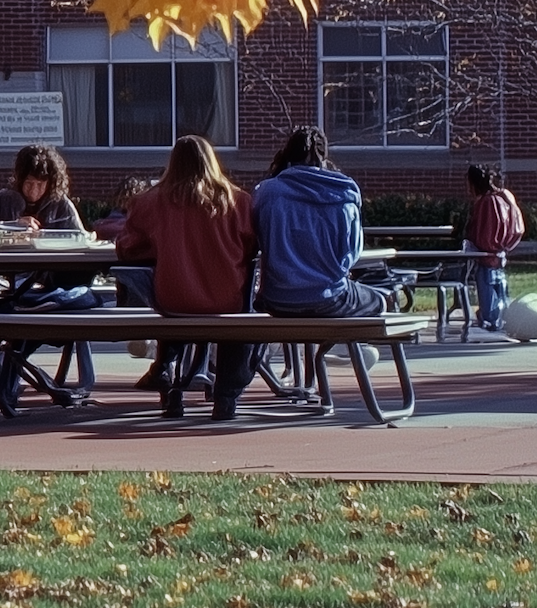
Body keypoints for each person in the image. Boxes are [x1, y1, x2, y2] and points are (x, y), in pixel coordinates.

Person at [116, 136, 257, 420]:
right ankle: (226, 395)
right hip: (225, 300)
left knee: (175, 304)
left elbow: (128, 248)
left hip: (174, 299)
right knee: (244, 323)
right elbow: (252, 247)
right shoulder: (238, 201)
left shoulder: (150, 202)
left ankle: (167, 373)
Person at [252, 126, 383, 318]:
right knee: (379, 301)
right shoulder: (344, 194)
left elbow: (254, 239)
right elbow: (350, 255)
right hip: (330, 298)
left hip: (277, 300)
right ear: (325, 157)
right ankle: (352, 348)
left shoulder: (267, 193)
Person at [0, 145, 87, 233]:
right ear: (20, 179)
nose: (33, 191)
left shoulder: (61, 205)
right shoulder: (4, 200)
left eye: (40, 184)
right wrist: (13, 225)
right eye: (29, 183)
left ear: (51, 183)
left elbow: (81, 238)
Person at [466, 164, 526, 332]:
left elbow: (485, 233)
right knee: (500, 288)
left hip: (487, 256)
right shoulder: (501, 198)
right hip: (499, 255)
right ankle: (500, 318)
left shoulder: (487, 202)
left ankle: (491, 320)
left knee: (488, 290)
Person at [92, 175, 151, 242]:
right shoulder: (118, 215)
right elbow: (101, 228)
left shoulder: (149, 216)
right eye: (124, 198)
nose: (126, 202)